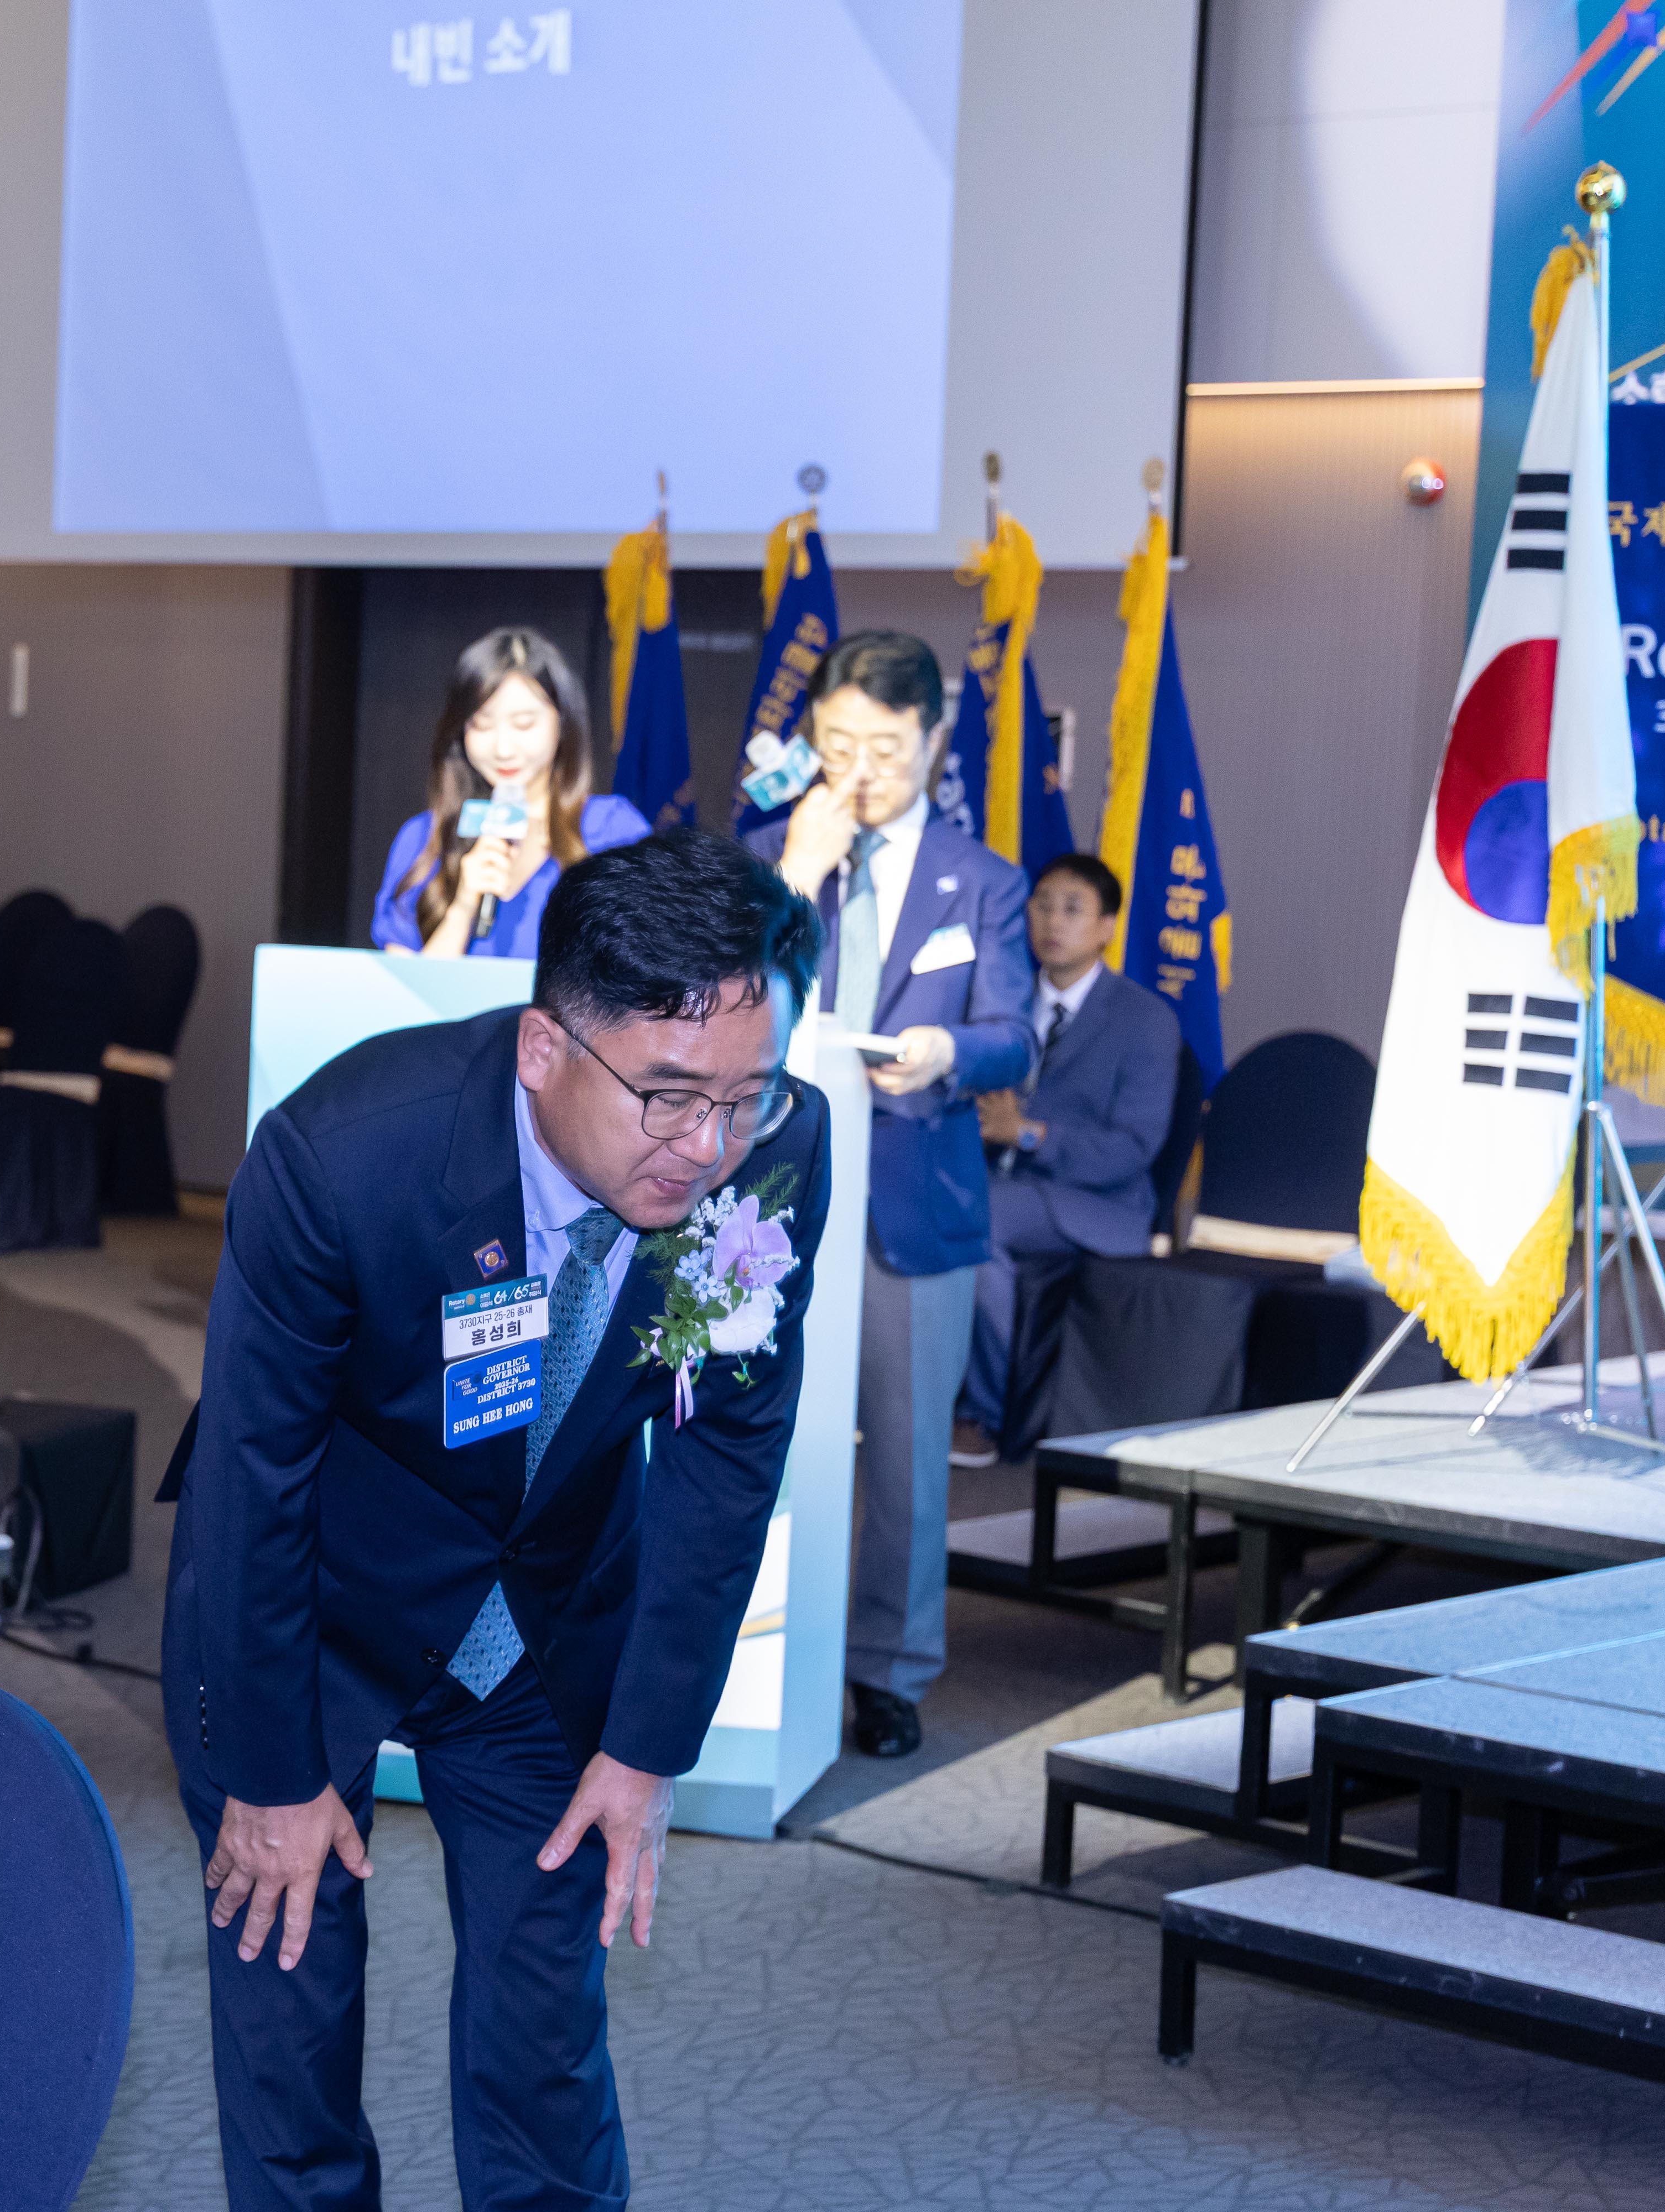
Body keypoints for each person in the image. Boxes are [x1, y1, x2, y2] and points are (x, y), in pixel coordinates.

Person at [168, 832, 828, 2211]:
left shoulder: (771, 1152)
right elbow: (253, 1479)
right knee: (291, 2019)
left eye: (743, 1097)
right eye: (667, 1096)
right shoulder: (342, 1158)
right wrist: (275, 1779)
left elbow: (724, 1457)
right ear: (543, 1048)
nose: (706, 1148)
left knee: (544, 2036)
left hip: (543, 1615)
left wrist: (645, 1746)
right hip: (311, 1606)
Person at [750, 630, 1032, 1760]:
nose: (860, 770)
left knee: (910, 1454)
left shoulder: (986, 877)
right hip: (771, 1189)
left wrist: (947, 1049)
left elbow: (1014, 1036)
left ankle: (889, 1669)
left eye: (885, 747)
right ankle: (754, 1647)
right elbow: (721, 992)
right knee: (752, 1427)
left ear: (933, 740)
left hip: (917, 1196)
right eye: (837, 744)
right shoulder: (772, 851)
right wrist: (795, 874)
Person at [952, 853, 1183, 1466]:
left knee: (979, 1220)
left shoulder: (1146, 1019)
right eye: (1043, 905)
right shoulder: (1000, 1005)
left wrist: (1026, 1135)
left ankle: (985, 1414)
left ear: (1107, 926)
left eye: (1073, 909)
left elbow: (1133, 1148)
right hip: (994, 1182)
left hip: (1097, 1205)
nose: (1054, 922)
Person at [369, 628, 647, 961]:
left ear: (563, 724)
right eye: (482, 725)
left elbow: (647, 971)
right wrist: (463, 907)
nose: (503, 749)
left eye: (524, 724)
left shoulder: (612, 830)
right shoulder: (423, 841)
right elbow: (408, 989)